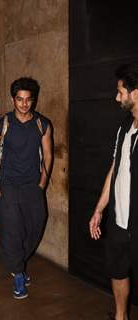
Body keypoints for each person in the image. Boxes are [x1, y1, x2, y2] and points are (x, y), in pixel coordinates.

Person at [0, 77, 53, 299]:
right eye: (19, 100)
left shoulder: (42, 124)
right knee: (11, 229)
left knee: (36, 224)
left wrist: (42, 182)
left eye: (28, 100)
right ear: (13, 100)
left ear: (33, 100)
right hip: (9, 184)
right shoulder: (3, 123)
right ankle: (17, 274)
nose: (24, 104)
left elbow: (49, 155)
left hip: (32, 185)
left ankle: (20, 265)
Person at [89, 63, 138, 320]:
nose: (117, 97)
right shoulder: (124, 128)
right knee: (118, 271)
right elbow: (115, 169)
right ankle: (121, 317)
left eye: (121, 91)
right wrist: (99, 208)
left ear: (136, 93)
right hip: (119, 221)